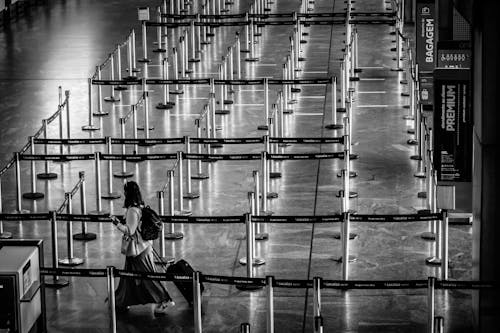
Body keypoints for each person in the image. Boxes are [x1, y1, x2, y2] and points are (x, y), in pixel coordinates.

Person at [110, 181, 174, 315]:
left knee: (148, 277)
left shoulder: (132, 210)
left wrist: (116, 223)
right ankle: (121, 301)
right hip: (141, 247)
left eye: (125, 191)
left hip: (138, 250)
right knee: (128, 277)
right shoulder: (139, 206)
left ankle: (164, 300)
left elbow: (130, 230)